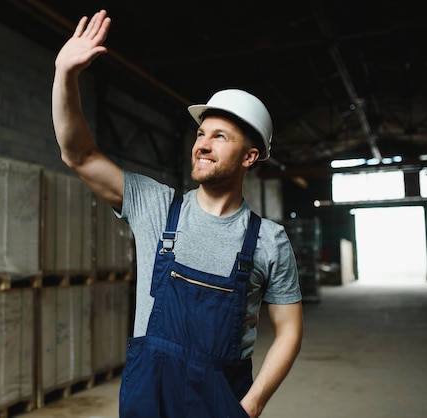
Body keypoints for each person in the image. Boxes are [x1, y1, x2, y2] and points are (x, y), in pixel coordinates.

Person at [52, 9, 303, 418]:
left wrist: (252, 405)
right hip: (148, 402)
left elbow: (290, 330)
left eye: (219, 136)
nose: (202, 144)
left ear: (249, 156)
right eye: (201, 134)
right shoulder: (155, 206)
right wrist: (65, 73)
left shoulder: (269, 241)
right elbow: (78, 154)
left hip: (221, 405)